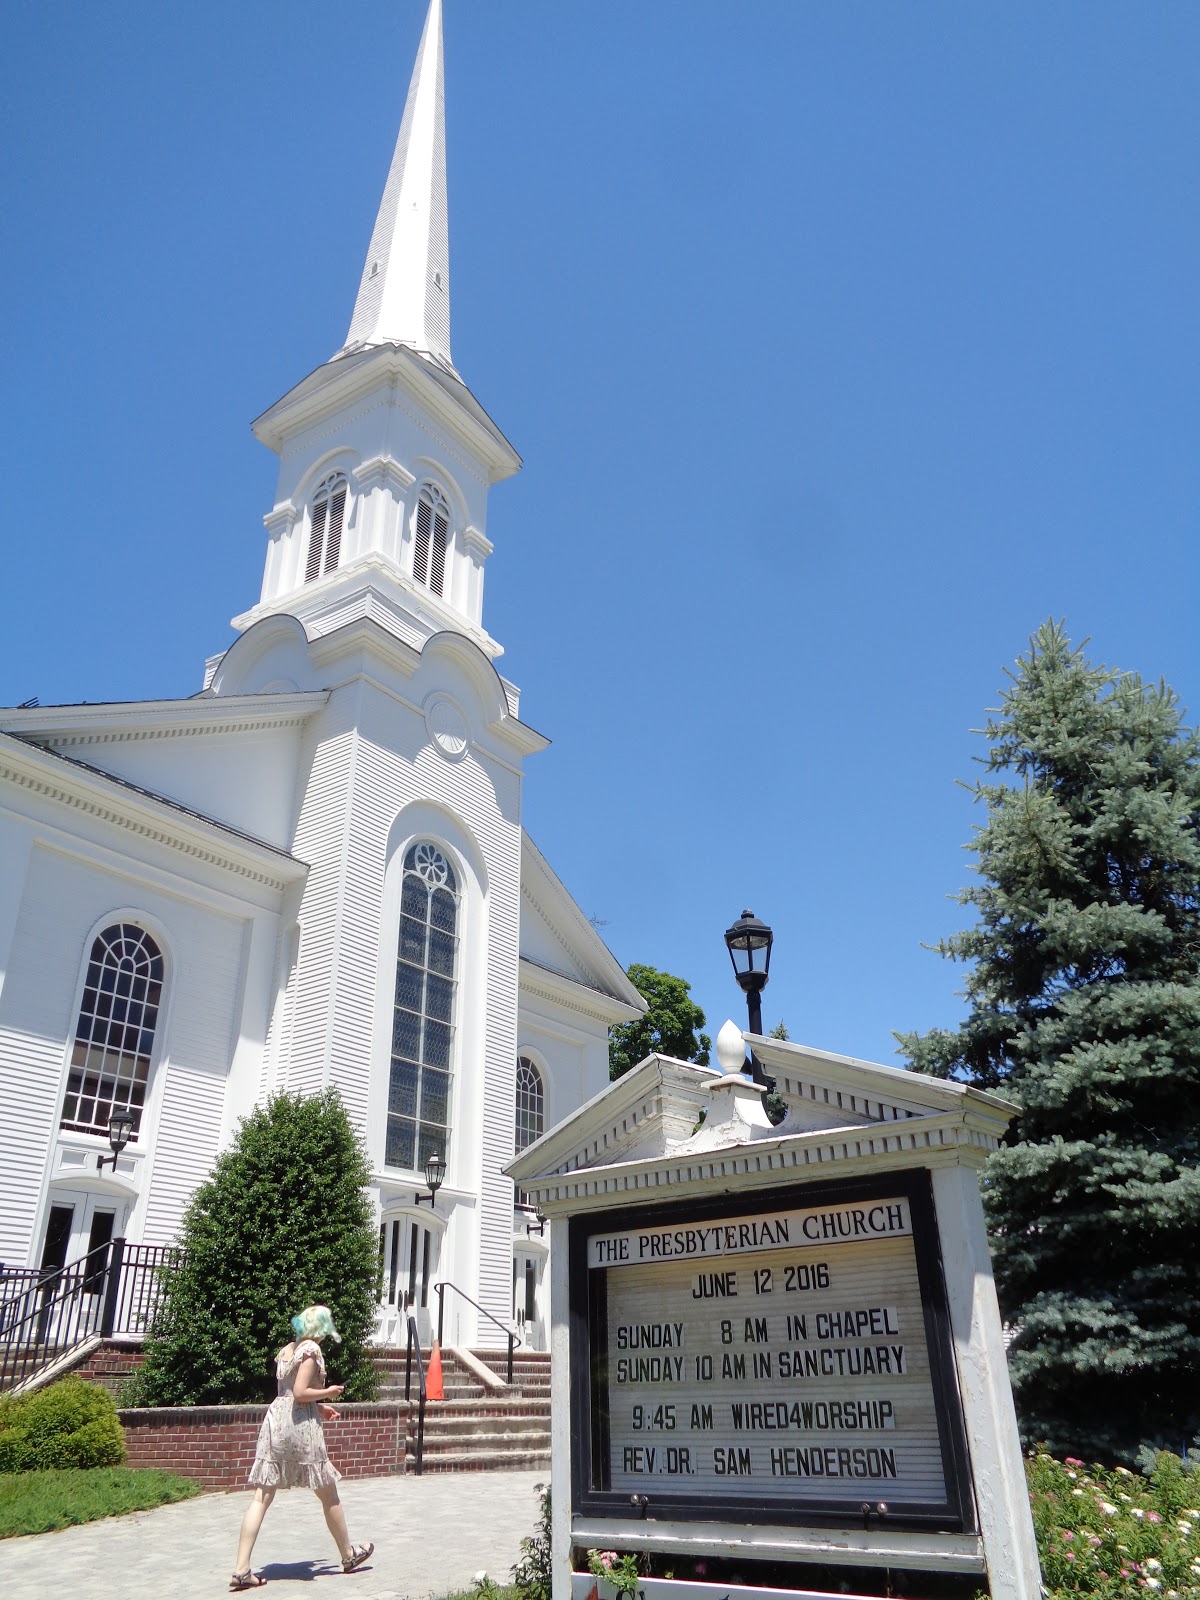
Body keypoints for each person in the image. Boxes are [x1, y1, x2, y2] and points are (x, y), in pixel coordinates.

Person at [230, 1304, 374, 1590]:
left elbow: (287, 1393)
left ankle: (241, 1569)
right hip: (299, 1428)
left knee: (261, 1496)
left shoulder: (288, 1349)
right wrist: (328, 1392)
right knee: (328, 1491)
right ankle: (348, 1555)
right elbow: (300, 1393)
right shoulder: (311, 1350)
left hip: (275, 1423)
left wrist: (319, 1408)